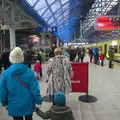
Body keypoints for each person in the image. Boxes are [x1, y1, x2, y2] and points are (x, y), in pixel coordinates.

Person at [0, 47, 42, 120]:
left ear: (11, 58)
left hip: (14, 105)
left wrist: (4, 104)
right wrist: (38, 101)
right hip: (28, 104)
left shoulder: (5, 74)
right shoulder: (29, 72)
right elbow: (35, 89)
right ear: (22, 58)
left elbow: (3, 92)